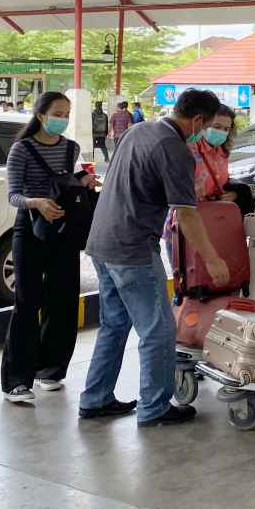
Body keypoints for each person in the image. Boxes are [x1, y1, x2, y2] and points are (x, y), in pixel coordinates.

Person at [81, 89, 229, 427]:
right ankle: (154, 407)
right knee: (159, 330)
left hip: (101, 242)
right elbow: (187, 213)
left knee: (114, 325)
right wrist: (213, 259)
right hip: (132, 248)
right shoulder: (175, 149)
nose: (205, 133)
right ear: (197, 120)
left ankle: (95, 398)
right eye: (207, 126)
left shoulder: (139, 130)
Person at [0, 92, 100, 404]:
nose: (63, 119)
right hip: (30, 228)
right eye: (58, 113)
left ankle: (51, 369)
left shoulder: (71, 148)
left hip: (63, 228)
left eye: (67, 113)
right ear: (41, 115)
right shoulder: (22, 149)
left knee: (63, 301)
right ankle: (17, 380)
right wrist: (37, 203)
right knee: (27, 302)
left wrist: (82, 181)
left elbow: (64, 182)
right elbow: (13, 195)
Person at [163, 104, 239, 263]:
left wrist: (231, 194)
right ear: (203, 124)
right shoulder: (188, 148)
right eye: (216, 126)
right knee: (187, 280)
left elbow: (221, 183)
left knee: (207, 280)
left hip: (212, 224)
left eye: (226, 129)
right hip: (185, 224)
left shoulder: (222, 152)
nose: (221, 132)